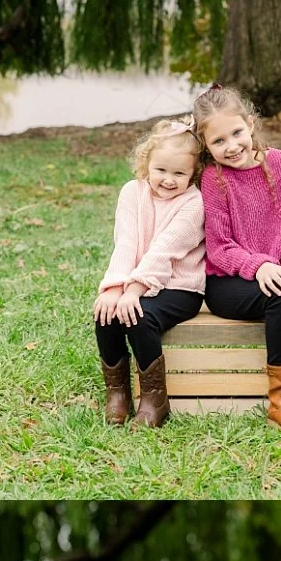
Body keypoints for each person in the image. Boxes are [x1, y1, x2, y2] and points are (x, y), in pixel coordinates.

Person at [193, 84, 281, 431]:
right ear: (206, 146)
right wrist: (258, 266)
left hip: (278, 268)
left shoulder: (279, 163)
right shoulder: (215, 179)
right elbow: (220, 247)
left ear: (251, 124)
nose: (231, 146)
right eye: (218, 141)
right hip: (229, 281)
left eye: (236, 133)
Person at [94, 119, 206, 426]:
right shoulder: (132, 192)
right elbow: (126, 242)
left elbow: (164, 251)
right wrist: (114, 288)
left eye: (179, 173)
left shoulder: (194, 203)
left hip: (180, 287)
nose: (168, 180)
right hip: (135, 283)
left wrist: (133, 292)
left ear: (193, 173)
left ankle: (154, 399)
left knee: (139, 316)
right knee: (106, 313)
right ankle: (117, 393)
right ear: (146, 163)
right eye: (161, 170)